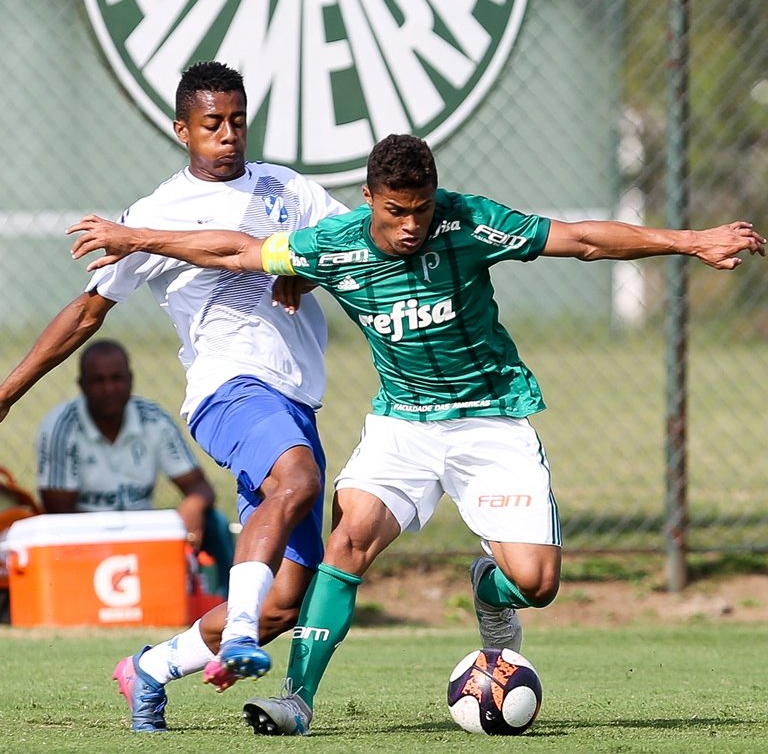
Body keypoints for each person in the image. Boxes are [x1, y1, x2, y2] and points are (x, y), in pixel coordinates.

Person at [68, 133, 766, 736]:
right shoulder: (332, 244)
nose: (411, 226)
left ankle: (489, 591)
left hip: (491, 416)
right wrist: (137, 237)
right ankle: (296, 699)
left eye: (421, 210)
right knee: (347, 541)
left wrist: (692, 240)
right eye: (397, 211)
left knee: (538, 583)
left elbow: (580, 240)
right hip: (402, 424)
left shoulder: (467, 224)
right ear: (370, 199)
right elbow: (236, 250)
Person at [0, 61, 347, 733]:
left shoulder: (287, 188)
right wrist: (9, 389)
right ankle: (238, 630)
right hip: (227, 388)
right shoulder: (157, 213)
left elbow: (340, 246)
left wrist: (306, 272)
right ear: (181, 129)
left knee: (284, 603)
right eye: (212, 124)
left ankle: (150, 668)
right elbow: (87, 311)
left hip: (296, 397)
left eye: (238, 121)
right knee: (297, 478)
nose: (228, 135)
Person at [36, 338, 234, 595]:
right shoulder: (62, 426)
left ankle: (225, 604)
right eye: (98, 380)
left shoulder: (153, 419)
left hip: (145, 529)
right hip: (86, 532)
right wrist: (114, 538)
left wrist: (193, 505)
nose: (109, 388)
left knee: (214, 521)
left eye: (116, 378)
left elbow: (199, 487)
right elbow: (58, 511)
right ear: (82, 385)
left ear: (130, 379)